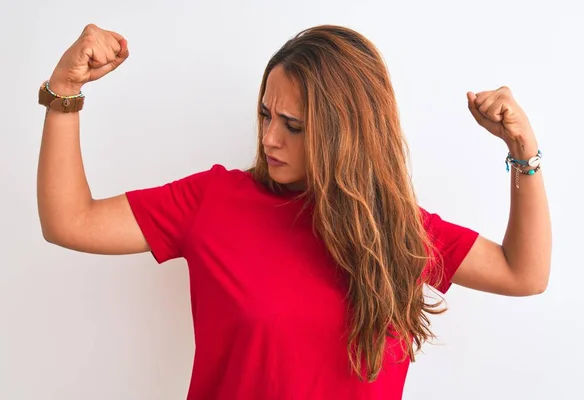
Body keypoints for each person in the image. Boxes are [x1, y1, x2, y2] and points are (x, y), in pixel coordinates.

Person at [37, 24, 552, 400]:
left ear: (345, 131)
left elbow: (523, 272)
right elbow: (70, 220)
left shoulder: (393, 228)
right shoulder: (212, 202)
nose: (269, 137)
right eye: (265, 114)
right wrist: (65, 89)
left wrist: (522, 150)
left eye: (293, 124)